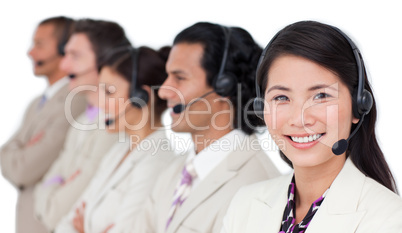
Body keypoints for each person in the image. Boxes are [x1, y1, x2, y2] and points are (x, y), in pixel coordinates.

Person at [221, 20, 402, 233]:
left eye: (321, 96)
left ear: (358, 105)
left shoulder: (388, 219)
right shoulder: (244, 205)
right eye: (281, 97)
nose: (300, 119)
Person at [136, 22, 280, 233]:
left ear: (225, 86)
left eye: (179, 78)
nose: (163, 92)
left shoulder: (260, 188)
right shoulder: (174, 172)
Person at [55, 45, 176, 233]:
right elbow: (66, 224)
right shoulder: (118, 152)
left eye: (109, 93)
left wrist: (84, 228)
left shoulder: (158, 161)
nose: (100, 103)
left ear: (141, 97)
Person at [33, 19, 128, 231]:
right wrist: (55, 184)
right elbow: (44, 199)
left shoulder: (116, 126)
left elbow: (54, 213)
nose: (64, 65)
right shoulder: (81, 122)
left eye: (74, 56)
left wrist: (56, 184)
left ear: (105, 62)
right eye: (65, 54)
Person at [0, 16, 86, 233]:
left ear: (64, 49)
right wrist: (16, 151)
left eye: (39, 45)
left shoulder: (76, 99)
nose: (31, 52)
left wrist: (19, 150)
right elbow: (5, 153)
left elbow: (23, 171)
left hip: (50, 224)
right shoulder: (36, 104)